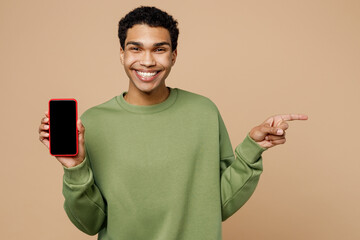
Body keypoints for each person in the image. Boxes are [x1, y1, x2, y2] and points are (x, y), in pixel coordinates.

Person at [38, 6, 308, 240]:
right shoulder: (93, 123)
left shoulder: (203, 112)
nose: (147, 60)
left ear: (173, 56)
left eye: (159, 49)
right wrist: (75, 167)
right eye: (136, 48)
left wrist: (252, 149)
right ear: (122, 54)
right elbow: (89, 223)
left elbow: (219, 204)